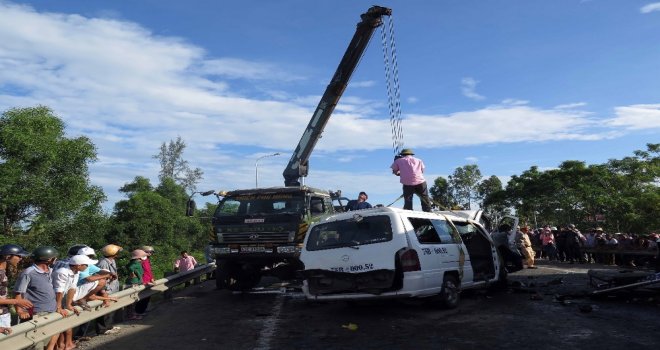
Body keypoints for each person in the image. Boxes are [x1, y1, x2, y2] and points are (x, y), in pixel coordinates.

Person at [14, 246, 60, 350]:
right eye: (54, 258)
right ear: (48, 259)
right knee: (36, 344)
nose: (56, 260)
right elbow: (18, 293)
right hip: (36, 313)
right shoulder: (28, 273)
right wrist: (20, 311)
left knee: (47, 341)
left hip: (51, 311)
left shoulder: (51, 271)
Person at [52, 254, 92, 350]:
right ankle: (60, 345)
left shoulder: (76, 272)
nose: (87, 267)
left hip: (61, 297)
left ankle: (63, 344)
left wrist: (69, 305)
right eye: (85, 265)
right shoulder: (62, 272)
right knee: (59, 323)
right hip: (53, 299)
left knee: (65, 321)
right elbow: (59, 291)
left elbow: (72, 288)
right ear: (78, 265)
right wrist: (59, 307)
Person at [0, 244, 33, 335]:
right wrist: (17, 301)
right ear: (7, 256)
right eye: (18, 256)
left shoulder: (3, 271)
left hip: (3, 313)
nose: (21, 258)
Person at [95, 244, 123, 335]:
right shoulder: (103, 263)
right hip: (106, 290)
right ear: (114, 253)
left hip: (113, 288)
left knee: (110, 310)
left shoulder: (112, 260)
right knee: (104, 311)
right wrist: (104, 292)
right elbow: (101, 278)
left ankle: (109, 326)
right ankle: (102, 329)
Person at [134, 245, 156, 318]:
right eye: (149, 252)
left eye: (151, 252)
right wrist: (151, 279)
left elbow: (149, 271)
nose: (150, 254)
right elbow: (145, 271)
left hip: (148, 280)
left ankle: (142, 310)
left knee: (147, 296)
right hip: (144, 280)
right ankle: (139, 312)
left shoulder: (147, 259)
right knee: (142, 297)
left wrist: (152, 278)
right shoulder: (141, 260)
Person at [125, 249, 146, 320]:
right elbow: (130, 268)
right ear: (138, 258)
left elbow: (128, 266)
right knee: (132, 300)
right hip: (134, 282)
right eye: (141, 258)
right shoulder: (135, 263)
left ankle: (132, 314)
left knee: (133, 300)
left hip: (135, 281)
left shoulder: (134, 262)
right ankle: (131, 315)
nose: (141, 260)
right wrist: (132, 273)